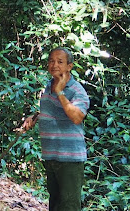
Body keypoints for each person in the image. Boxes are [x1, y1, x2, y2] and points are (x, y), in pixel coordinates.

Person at [22, 47, 90, 210]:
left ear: (70, 66)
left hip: (69, 159)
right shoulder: (48, 86)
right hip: (51, 156)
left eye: (60, 62)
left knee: (69, 206)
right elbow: (51, 111)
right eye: (51, 61)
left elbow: (76, 116)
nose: (54, 65)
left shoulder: (76, 90)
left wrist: (60, 92)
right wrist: (35, 118)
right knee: (55, 204)